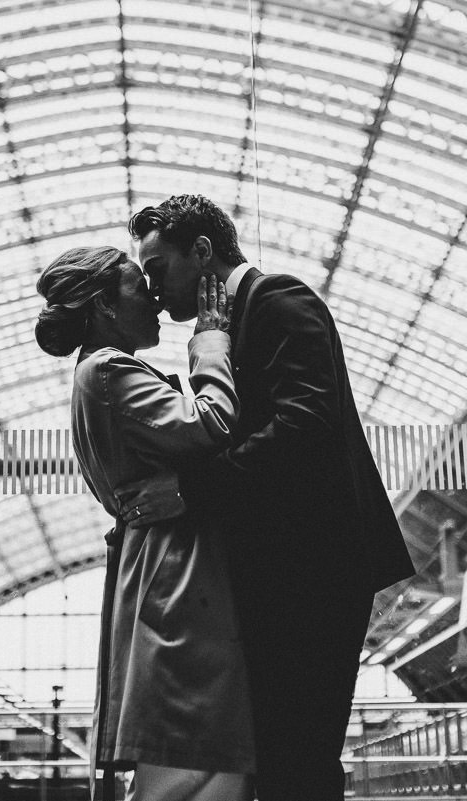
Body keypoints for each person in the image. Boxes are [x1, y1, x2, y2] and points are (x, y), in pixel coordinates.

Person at [130, 194, 416, 801]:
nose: (153, 289)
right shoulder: (234, 323)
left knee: (297, 752)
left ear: (202, 251)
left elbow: (305, 423)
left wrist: (191, 488)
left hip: (313, 568)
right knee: (278, 752)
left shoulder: (280, 300)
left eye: (158, 268)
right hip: (286, 568)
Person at [35, 246, 254, 801]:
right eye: (139, 286)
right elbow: (210, 424)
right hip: (178, 571)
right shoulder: (109, 369)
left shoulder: (97, 375)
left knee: (193, 752)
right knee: (193, 746)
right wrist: (209, 342)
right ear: (104, 305)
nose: (155, 298)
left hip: (160, 561)